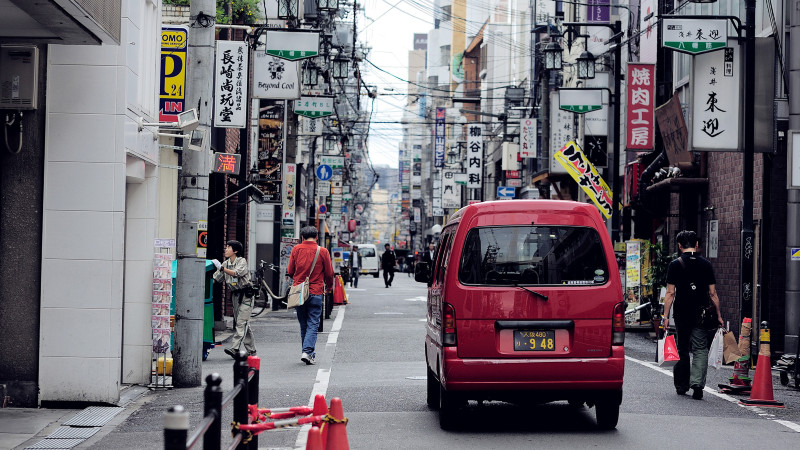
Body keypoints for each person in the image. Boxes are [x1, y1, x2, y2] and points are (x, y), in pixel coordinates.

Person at [662, 230, 724, 400]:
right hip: (701, 313)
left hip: (682, 313)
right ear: (697, 245)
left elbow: (670, 293)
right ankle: (697, 385)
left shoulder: (675, 265)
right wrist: (718, 314)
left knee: (682, 348)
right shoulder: (706, 265)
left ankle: (682, 385)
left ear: (680, 246)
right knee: (700, 348)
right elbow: (713, 293)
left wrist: (665, 315)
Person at [287, 226, 334, 365]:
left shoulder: (296, 249)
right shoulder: (323, 251)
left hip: (300, 292)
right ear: (317, 237)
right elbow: (329, 273)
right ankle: (307, 352)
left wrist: (299, 278)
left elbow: (290, 270)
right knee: (313, 323)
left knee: (304, 324)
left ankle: (306, 352)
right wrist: (329, 287)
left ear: (302, 237)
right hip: (316, 291)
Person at [212, 240, 257, 358]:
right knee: (243, 324)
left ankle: (235, 348)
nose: (225, 249)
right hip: (235, 296)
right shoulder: (225, 264)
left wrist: (221, 269)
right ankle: (252, 351)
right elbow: (216, 278)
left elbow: (236, 273)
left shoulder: (242, 261)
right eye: (226, 247)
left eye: (228, 247)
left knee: (241, 323)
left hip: (246, 295)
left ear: (235, 251)